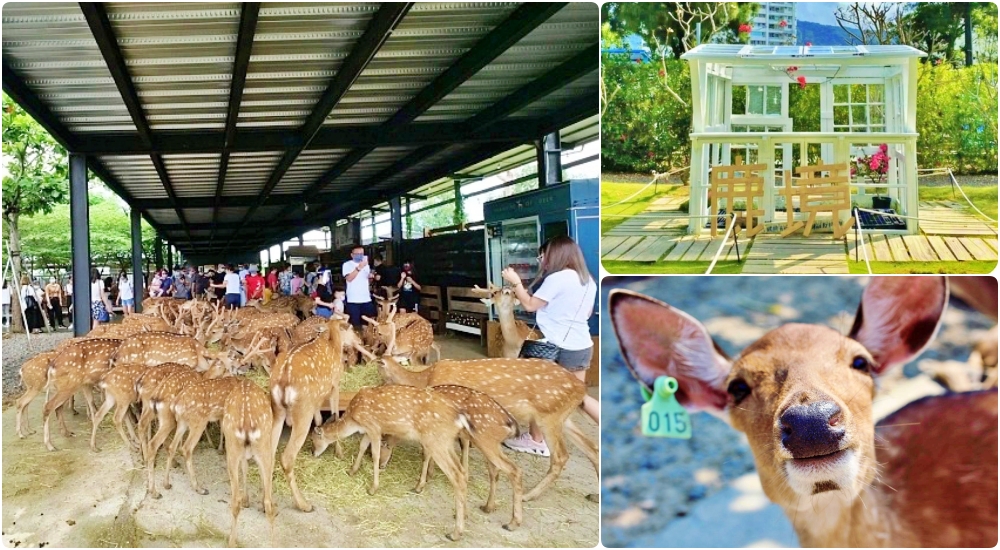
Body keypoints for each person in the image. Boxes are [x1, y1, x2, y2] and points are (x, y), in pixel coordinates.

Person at [500, 235, 599, 456]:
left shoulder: (559, 278)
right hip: (582, 344)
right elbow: (587, 313)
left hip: (559, 348)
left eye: (542, 255)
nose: (540, 260)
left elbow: (529, 305)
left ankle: (537, 441)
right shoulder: (587, 280)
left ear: (555, 254)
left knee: (540, 393)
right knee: (578, 396)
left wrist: (515, 282)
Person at [342, 245, 376, 328]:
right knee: (355, 325)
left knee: (368, 324)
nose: (360, 255)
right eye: (357, 254)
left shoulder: (366, 266)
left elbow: (367, 281)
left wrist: (370, 277)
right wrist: (359, 268)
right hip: (353, 300)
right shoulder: (347, 265)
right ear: (352, 255)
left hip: (366, 299)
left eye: (362, 253)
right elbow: (349, 279)